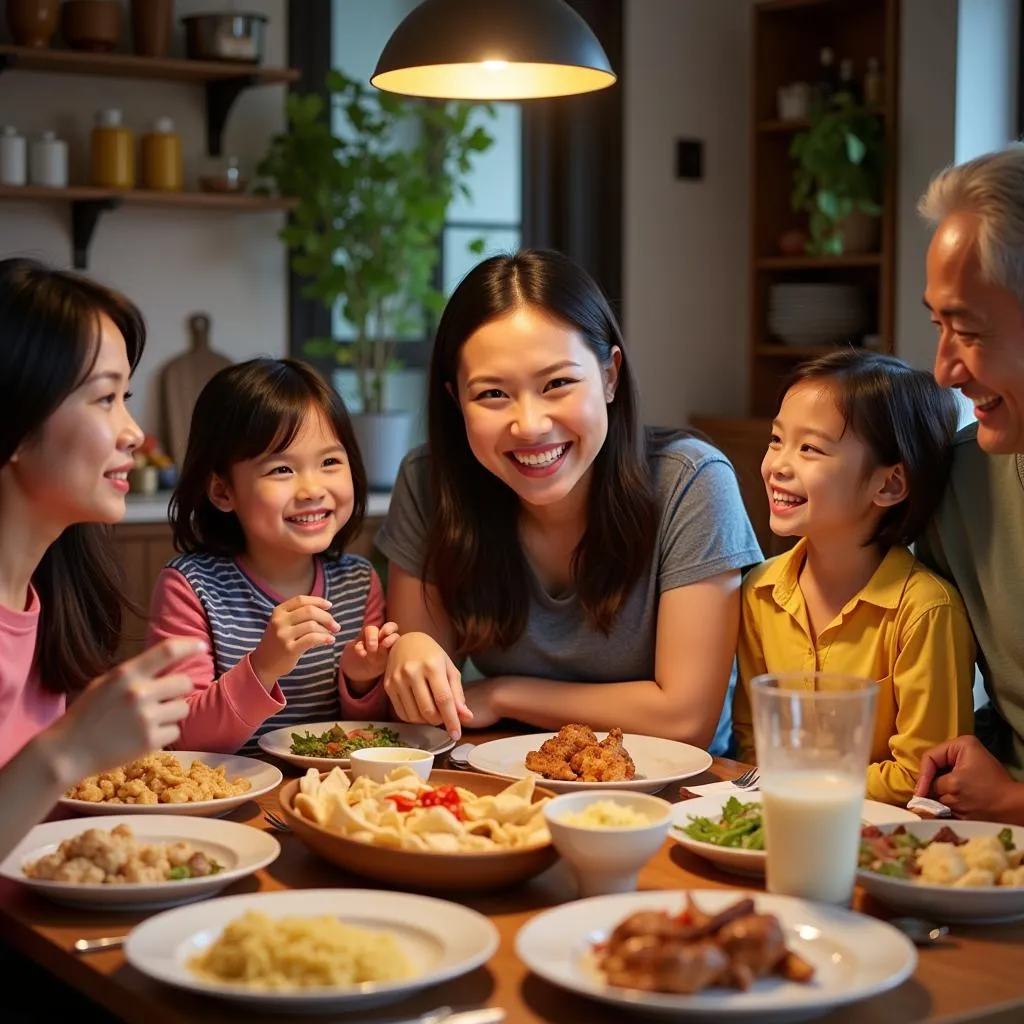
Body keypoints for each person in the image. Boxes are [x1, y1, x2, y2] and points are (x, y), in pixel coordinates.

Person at [375, 249, 762, 748]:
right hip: (504, 777)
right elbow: (428, 702)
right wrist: (408, 657)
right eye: (492, 394)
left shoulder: (691, 483)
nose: (530, 425)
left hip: (672, 796)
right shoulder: (430, 482)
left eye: (557, 383)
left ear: (609, 376)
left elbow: (686, 719)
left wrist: (502, 693)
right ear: (456, 403)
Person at [0, 256, 203, 860]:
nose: (134, 431)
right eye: (105, 398)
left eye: (127, 397)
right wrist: (68, 750)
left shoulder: (47, 594)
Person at [731, 350, 975, 805]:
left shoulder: (925, 611)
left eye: (810, 448)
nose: (778, 465)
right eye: (776, 440)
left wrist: (802, 782)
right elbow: (752, 746)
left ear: (888, 485)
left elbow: (924, 777)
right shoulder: (759, 591)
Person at [147, 358, 396, 754]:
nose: (312, 489)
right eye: (281, 469)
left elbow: (376, 736)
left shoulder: (359, 582)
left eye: (330, 462)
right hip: (232, 802)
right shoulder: (191, 587)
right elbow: (180, 739)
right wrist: (263, 666)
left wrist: (361, 680)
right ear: (222, 491)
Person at [912, 144, 1024, 823]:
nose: (945, 370)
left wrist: (1013, 801)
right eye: (937, 325)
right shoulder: (961, 484)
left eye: (970, 331)